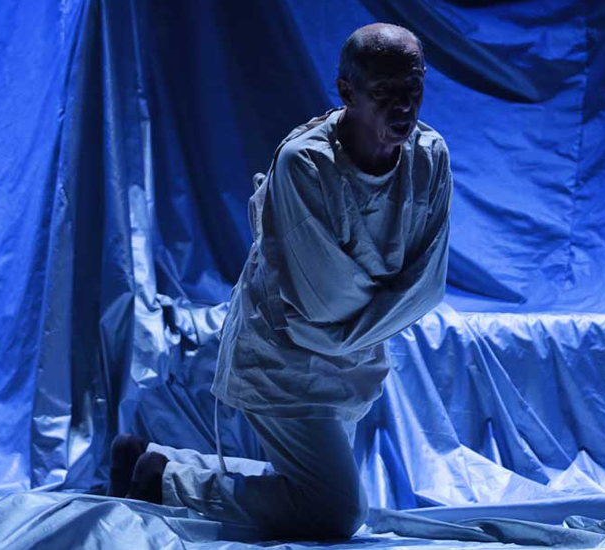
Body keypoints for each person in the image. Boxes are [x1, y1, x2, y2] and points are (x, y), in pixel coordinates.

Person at [108, 22, 452, 541]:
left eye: (413, 87)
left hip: (354, 363)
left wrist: (364, 314)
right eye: (385, 91)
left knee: (309, 489)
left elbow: (428, 286)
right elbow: (323, 302)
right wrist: (387, 297)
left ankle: (157, 463)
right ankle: (166, 481)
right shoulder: (305, 164)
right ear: (347, 92)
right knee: (337, 512)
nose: (404, 105)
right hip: (283, 360)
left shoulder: (430, 158)